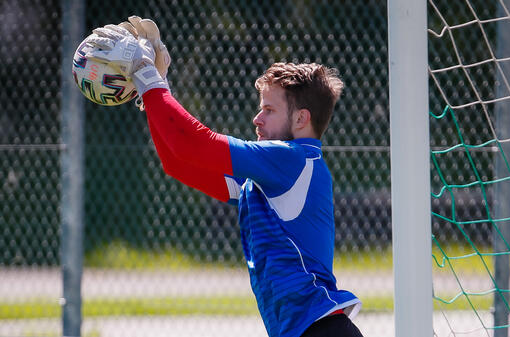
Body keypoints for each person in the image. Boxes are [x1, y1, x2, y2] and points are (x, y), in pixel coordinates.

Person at [86, 16, 363, 337]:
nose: (257, 119)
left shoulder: (293, 159)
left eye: (269, 110)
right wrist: (152, 91)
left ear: (302, 119)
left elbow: (193, 144)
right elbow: (178, 161)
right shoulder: (267, 181)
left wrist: (150, 79)